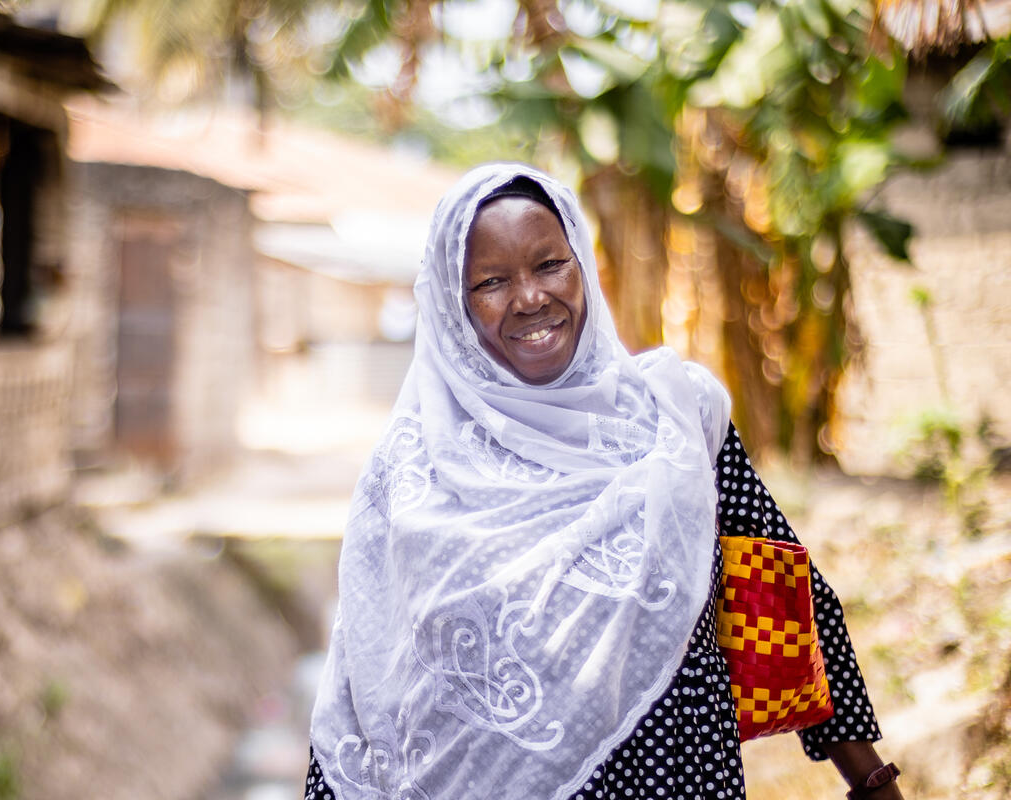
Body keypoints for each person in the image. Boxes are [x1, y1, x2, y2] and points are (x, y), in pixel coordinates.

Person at [305, 164, 903, 800]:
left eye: (549, 265)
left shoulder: (676, 420)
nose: (530, 297)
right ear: (454, 306)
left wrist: (871, 779)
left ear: (582, 265)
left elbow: (789, 598)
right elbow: (368, 683)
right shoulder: (411, 475)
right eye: (491, 281)